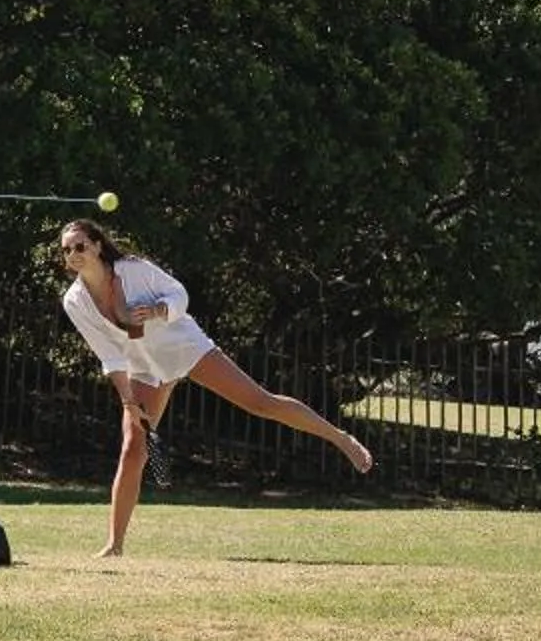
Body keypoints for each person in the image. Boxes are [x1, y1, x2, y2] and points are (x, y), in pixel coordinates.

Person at [56, 218, 371, 557]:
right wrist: (128, 400)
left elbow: (179, 294)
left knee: (260, 402)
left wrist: (163, 310)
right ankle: (114, 545)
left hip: (184, 346)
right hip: (144, 367)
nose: (73, 254)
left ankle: (340, 438)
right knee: (133, 448)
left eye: (80, 246)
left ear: (98, 245)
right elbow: (109, 354)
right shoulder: (75, 301)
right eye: (66, 250)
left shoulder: (133, 269)